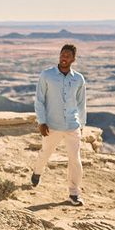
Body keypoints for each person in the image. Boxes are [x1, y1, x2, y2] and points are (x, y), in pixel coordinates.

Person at [30, 43, 87, 206]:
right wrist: (41, 121)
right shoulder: (47, 75)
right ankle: (37, 172)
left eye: (68, 55)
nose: (64, 57)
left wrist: (81, 124)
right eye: (62, 54)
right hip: (52, 126)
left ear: (73, 59)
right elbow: (39, 100)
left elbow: (81, 103)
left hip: (72, 126)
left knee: (75, 160)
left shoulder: (78, 79)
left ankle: (74, 193)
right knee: (45, 153)